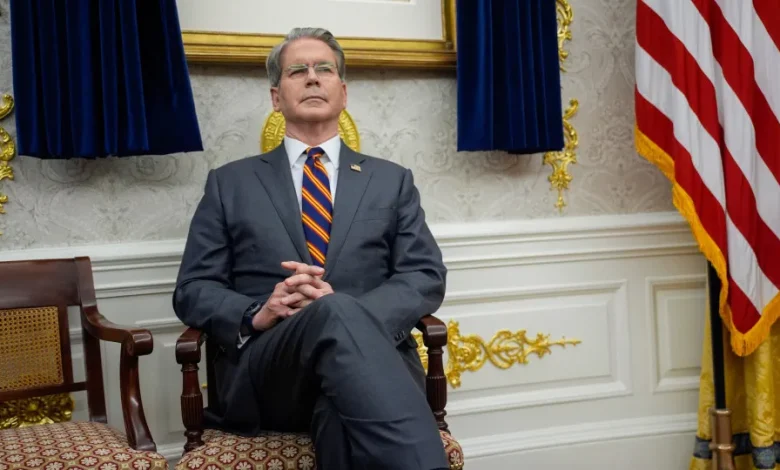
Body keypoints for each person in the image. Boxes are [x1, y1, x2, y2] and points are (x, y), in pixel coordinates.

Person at [173, 27, 450, 470]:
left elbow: (424, 275)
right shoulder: (230, 183)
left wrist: (351, 318)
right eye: (297, 70)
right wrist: (257, 312)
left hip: (371, 369)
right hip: (272, 369)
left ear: (343, 91)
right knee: (334, 314)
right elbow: (192, 288)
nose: (313, 77)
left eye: (324, 69)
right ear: (276, 97)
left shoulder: (391, 180)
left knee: (341, 409)